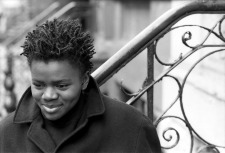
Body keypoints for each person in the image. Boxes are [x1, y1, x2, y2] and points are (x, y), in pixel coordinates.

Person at [0, 19, 161, 153]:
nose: (48, 95)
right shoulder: (6, 133)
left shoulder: (132, 127)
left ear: (84, 80)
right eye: (38, 85)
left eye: (61, 86)